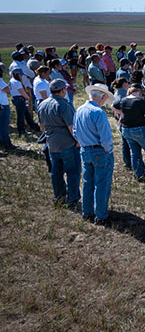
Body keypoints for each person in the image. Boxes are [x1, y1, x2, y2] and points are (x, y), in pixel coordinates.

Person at [73, 83, 114, 224]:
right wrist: (109, 151)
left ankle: (87, 212)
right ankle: (101, 215)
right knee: (101, 184)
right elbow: (106, 137)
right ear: (102, 97)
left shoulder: (79, 110)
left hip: (85, 150)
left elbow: (75, 132)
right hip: (100, 151)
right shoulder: (98, 112)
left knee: (87, 182)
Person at [37, 79, 80, 207]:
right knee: (73, 172)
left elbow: (41, 126)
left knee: (56, 173)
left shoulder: (42, 104)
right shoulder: (63, 105)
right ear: (62, 90)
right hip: (67, 144)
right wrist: (78, 141)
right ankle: (72, 198)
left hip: (52, 145)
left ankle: (59, 197)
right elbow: (72, 126)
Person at [10, 67, 40, 135]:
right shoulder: (17, 82)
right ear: (15, 74)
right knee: (21, 115)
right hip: (20, 99)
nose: (21, 76)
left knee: (26, 114)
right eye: (20, 74)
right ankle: (21, 130)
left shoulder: (12, 80)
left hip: (17, 99)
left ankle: (34, 126)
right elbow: (22, 92)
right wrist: (27, 97)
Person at [112, 77, 132, 170]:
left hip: (118, 119)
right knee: (128, 143)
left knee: (125, 142)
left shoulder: (117, 92)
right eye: (128, 82)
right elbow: (119, 105)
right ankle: (130, 162)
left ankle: (127, 162)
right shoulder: (124, 94)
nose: (129, 84)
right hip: (124, 120)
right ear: (124, 83)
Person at [0, 65, 13, 149]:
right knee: (4, 125)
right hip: (2, 105)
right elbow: (7, 90)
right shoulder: (0, 80)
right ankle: (6, 143)